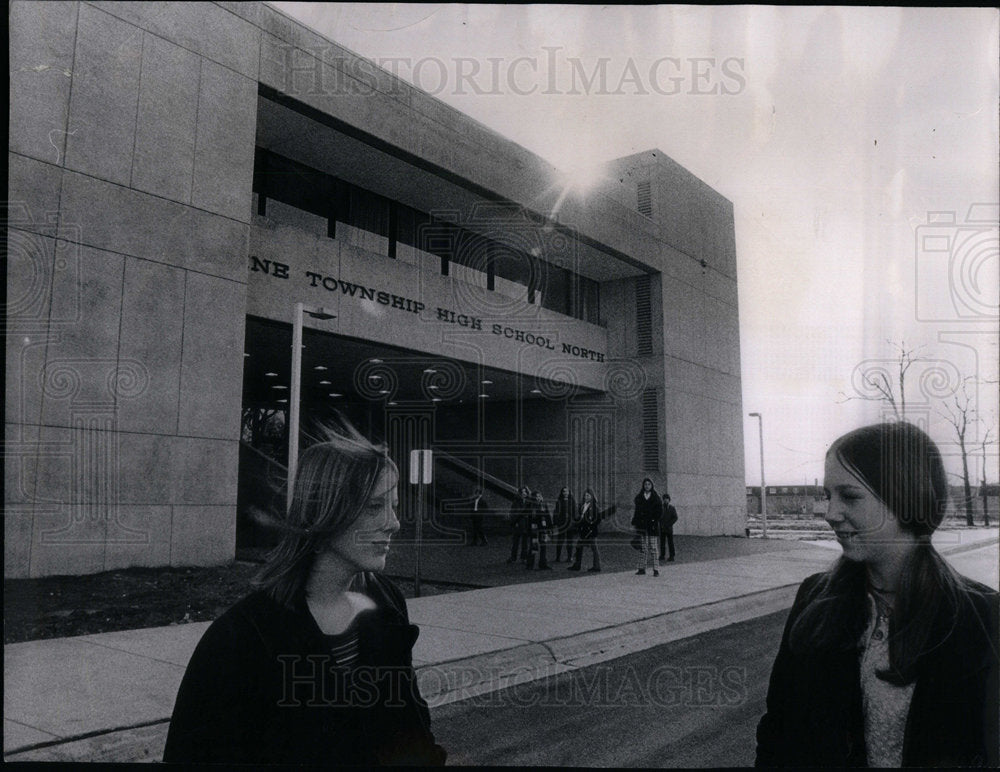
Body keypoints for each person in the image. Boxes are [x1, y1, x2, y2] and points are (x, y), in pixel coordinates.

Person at [163, 421, 447, 765]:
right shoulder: (241, 638)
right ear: (324, 511)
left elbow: (412, 732)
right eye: (374, 507)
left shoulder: (388, 604)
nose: (394, 522)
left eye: (394, 506)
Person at [755, 422, 998, 767]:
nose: (830, 514)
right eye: (828, 495)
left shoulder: (982, 617)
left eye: (850, 496)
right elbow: (779, 732)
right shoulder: (815, 598)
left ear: (905, 499)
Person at [631, 478, 662, 576]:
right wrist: (635, 523)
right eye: (645, 484)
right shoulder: (639, 497)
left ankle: (655, 569)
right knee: (643, 548)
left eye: (649, 484)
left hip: (652, 526)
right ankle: (641, 568)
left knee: (653, 548)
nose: (647, 486)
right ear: (643, 485)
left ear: (652, 485)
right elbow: (636, 512)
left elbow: (659, 512)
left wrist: (654, 520)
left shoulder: (656, 498)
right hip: (642, 525)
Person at [568, 488, 602, 572]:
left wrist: (590, 524)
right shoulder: (583, 505)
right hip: (583, 530)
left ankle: (597, 566)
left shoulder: (594, 507)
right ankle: (577, 565)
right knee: (579, 547)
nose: (586, 497)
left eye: (588, 495)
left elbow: (598, 519)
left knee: (594, 548)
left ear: (592, 496)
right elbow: (581, 517)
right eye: (585, 495)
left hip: (590, 530)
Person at [526, 490, 553, 570]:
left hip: (543, 529)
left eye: (539, 496)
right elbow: (530, 519)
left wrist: (550, 527)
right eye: (536, 496)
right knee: (534, 547)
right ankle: (530, 564)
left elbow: (548, 516)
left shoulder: (544, 505)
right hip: (535, 529)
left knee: (543, 546)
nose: (538, 498)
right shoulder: (531, 506)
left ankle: (543, 563)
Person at [506, 486, 532, 564]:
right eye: (522, 492)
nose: (524, 493)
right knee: (515, 542)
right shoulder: (516, 502)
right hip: (518, 523)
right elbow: (513, 512)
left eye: (525, 492)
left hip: (526, 524)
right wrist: (514, 522)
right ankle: (513, 557)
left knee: (525, 542)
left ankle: (523, 558)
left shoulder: (529, 502)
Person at [552, 486, 576, 562]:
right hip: (562, 524)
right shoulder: (559, 501)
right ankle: (557, 557)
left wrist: (575, 522)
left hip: (570, 524)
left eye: (567, 491)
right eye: (564, 491)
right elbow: (556, 513)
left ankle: (569, 557)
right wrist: (556, 523)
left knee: (570, 541)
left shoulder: (572, 501)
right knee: (560, 540)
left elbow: (575, 513)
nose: (565, 493)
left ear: (569, 492)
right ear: (562, 493)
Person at [660, 493, 678, 562]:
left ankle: (672, 556)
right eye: (664, 499)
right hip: (662, 528)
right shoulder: (661, 508)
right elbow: (658, 517)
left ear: (669, 500)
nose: (665, 500)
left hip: (669, 528)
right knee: (662, 543)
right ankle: (662, 555)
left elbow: (675, 517)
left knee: (670, 543)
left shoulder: (672, 508)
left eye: (667, 499)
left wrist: (670, 524)